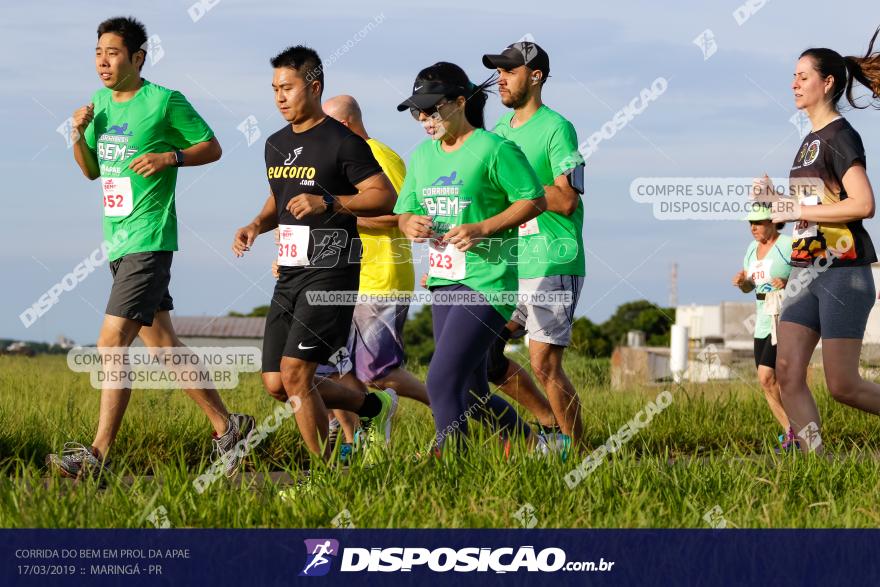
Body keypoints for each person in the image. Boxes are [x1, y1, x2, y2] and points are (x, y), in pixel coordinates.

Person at [47, 16, 255, 480]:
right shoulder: (99, 103)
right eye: (98, 52)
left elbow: (212, 146)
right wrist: (78, 136)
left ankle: (97, 457)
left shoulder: (164, 101)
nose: (103, 61)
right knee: (161, 342)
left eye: (114, 52)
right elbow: (92, 171)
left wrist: (169, 157)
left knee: (109, 343)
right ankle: (228, 426)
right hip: (117, 242)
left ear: (138, 57)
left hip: (150, 239)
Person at [232, 46, 399, 474]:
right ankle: (368, 404)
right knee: (275, 382)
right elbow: (279, 197)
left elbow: (384, 196)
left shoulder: (343, 141)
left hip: (333, 269)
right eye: (274, 89)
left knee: (296, 374)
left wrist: (329, 201)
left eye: (287, 88)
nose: (279, 97)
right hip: (290, 271)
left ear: (314, 86)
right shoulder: (275, 143)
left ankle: (322, 478)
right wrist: (255, 224)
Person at [395, 61, 547, 451]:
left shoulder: (494, 148)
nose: (425, 119)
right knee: (471, 390)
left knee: (441, 380)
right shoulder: (423, 157)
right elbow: (404, 212)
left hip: (488, 280)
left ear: (460, 102)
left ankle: (453, 469)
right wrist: (409, 223)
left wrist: (483, 228)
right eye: (418, 113)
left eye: (432, 109)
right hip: (444, 280)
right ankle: (531, 445)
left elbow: (534, 200)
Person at [273, 95, 432, 459]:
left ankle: (447, 407)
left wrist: (334, 211)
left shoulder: (377, 155)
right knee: (325, 367)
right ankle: (351, 438)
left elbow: (399, 213)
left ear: (342, 125)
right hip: (338, 277)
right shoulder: (330, 157)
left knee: (378, 371)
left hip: (381, 277)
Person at [755, 27, 880, 454]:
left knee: (843, 385)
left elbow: (863, 204)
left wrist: (797, 209)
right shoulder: (808, 142)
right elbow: (812, 211)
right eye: (793, 76)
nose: (794, 83)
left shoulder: (841, 136)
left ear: (827, 83)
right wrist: (777, 204)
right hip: (806, 271)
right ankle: (817, 462)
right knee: (786, 374)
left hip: (844, 273)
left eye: (803, 76)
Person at [482, 42, 586, 452]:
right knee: (486, 355)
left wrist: (520, 189)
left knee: (543, 363)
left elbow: (565, 200)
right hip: (509, 264)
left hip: (553, 258)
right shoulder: (498, 134)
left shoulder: (558, 128)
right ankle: (547, 424)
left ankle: (578, 456)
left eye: (510, 70)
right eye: (499, 71)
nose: (501, 78)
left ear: (536, 76)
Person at [732, 205, 794, 449]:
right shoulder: (751, 249)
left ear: (773, 221)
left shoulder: (788, 244)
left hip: (785, 315)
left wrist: (788, 280)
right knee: (768, 382)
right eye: (750, 223)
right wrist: (742, 283)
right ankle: (793, 432)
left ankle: (796, 433)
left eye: (758, 222)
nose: (753, 227)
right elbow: (750, 288)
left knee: (765, 375)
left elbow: (811, 273)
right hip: (762, 318)